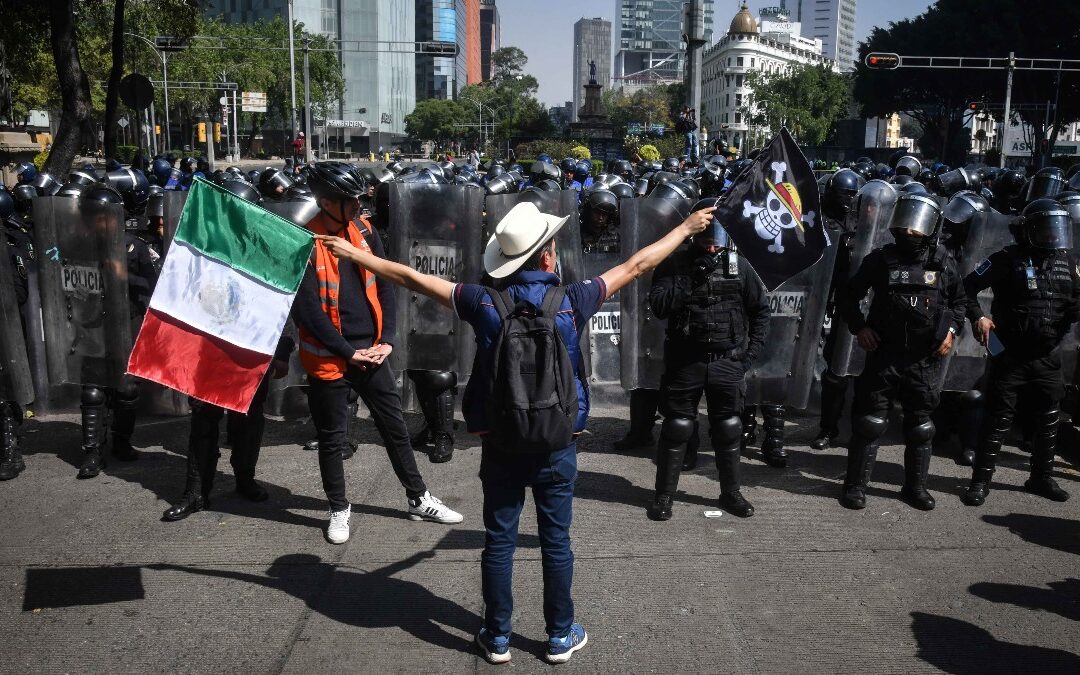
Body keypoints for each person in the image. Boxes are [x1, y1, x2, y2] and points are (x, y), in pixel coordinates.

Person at [315, 197, 712, 665]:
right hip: (558, 442)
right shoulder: (572, 300)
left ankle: (497, 636)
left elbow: (409, 277)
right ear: (547, 256)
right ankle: (560, 636)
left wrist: (356, 254)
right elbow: (638, 263)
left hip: (501, 440)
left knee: (500, 539)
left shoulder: (482, 300)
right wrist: (687, 227)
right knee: (556, 541)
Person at [292, 163, 462, 545]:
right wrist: (347, 353)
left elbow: (384, 282)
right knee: (333, 439)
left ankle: (418, 497)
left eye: (358, 200)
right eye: (349, 201)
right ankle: (339, 508)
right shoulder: (304, 240)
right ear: (325, 202)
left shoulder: (365, 231)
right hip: (331, 357)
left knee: (395, 428)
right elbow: (306, 312)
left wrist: (386, 339)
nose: (357, 207)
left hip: (372, 351)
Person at [836, 194, 967, 511]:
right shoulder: (881, 260)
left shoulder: (942, 262)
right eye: (905, 224)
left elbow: (959, 303)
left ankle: (915, 488)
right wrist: (860, 328)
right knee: (869, 423)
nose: (909, 231)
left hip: (924, 360)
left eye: (916, 226)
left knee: (921, 426)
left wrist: (951, 331)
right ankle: (855, 487)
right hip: (886, 355)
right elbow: (848, 296)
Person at [646, 203, 770, 521]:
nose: (712, 247)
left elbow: (760, 311)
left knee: (729, 428)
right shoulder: (674, 262)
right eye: (706, 239)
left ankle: (731, 493)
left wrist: (748, 356)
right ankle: (664, 496)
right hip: (686, 361)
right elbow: (658, 306)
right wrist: (690, 278)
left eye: (717, 240)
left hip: (728, 361)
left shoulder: (741, 266)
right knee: (677, 427)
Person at [959, 198, 1080, 506]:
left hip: (1047, 355)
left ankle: (1041, 478)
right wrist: (978, 316)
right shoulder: (1007, 258)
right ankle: (980, 482)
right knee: (998, 416)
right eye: (1047, 229)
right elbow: (967, 287)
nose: (1053, 236)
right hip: (1010, 353)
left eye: (1058, 229)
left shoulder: (1067, 262)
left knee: (1048, 418)